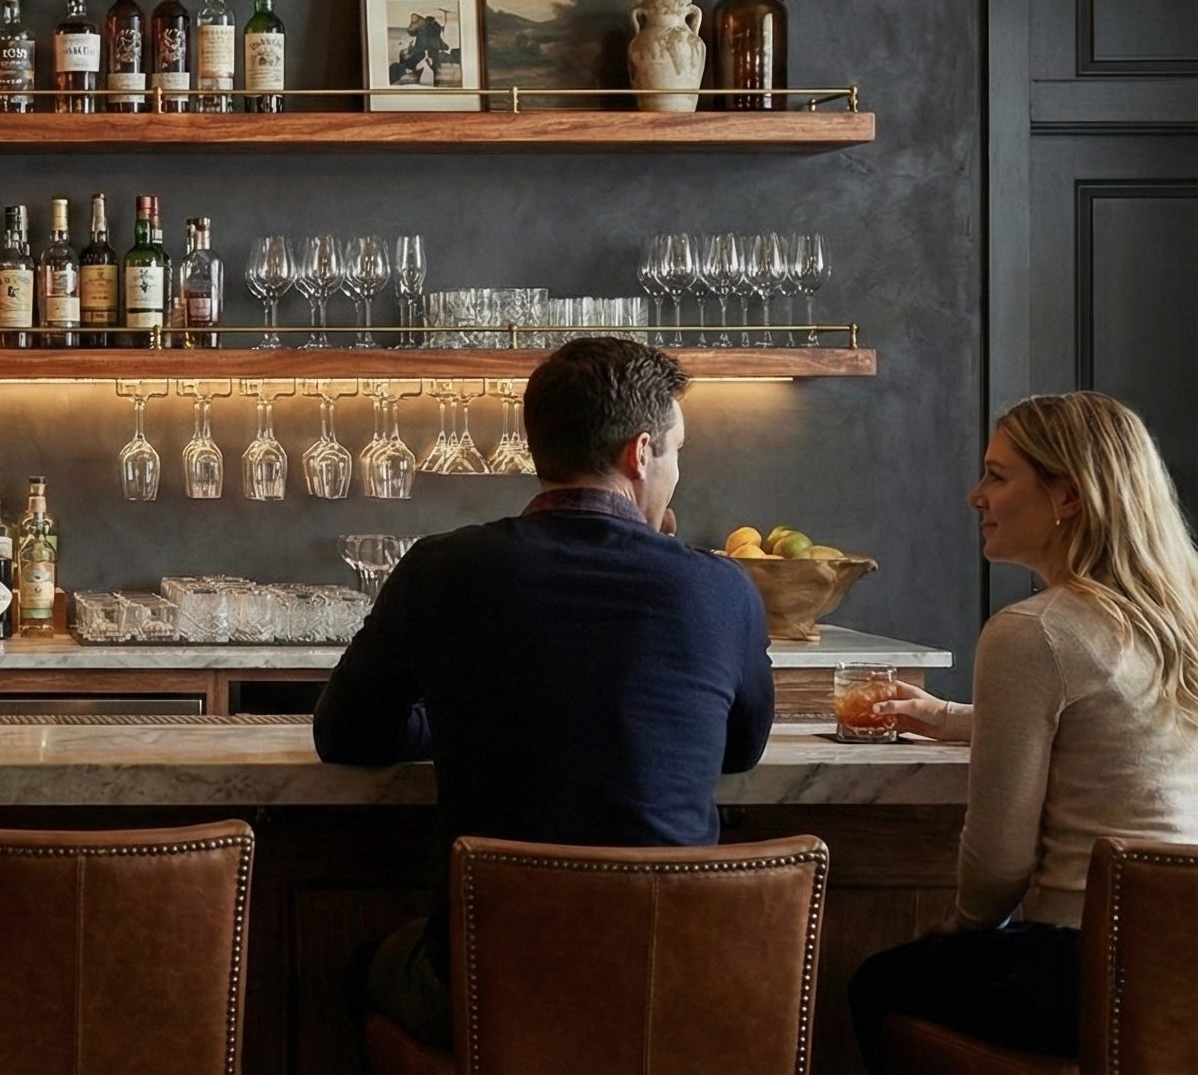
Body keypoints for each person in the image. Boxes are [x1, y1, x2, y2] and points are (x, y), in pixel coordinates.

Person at [313, 336, 776, 1051]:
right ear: (640, 453)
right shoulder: (722, 589)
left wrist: (454, 721)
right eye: (677, 452)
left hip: (492, 991)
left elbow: (345, 733)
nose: (677, 472)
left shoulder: (442, 569)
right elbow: (739, 751)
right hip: (671, 990)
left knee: (357, 971)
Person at [849, 392, 1198, 1066]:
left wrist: (964, 924)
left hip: (1086, 963)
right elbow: (1121, 733)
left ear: (1068, 496)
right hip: (1180, 970)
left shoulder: (1034, 631)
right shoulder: (1178, 613)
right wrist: (948, 719)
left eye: (997, 475)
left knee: (876, 983)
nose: (974, 496)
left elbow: (998, 864)